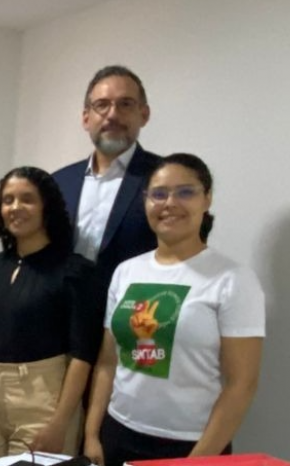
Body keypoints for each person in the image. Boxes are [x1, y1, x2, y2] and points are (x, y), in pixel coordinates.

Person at [82, 154, 265, 466]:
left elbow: (241, 385)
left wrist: (195, 462)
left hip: (192, 444)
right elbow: (107, 362)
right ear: (146, 201)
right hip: (118, 431)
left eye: (185, 192)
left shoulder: (233, 279)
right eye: (159, 193)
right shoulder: (126, 272)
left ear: (207, 199)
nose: (170, 203)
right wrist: (91, 434)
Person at [0, 167, 97, 460]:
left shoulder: (74, 270)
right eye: (8, 200)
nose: (15, 207)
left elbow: (82, 355)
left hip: (43, 399)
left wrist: (60, 421)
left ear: (46, 207)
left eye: (27, 199)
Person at [52, 66, 162, 297]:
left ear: (144, 115)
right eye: (102, 105)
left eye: (125, 104)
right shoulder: (58, 182)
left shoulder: (165, 179)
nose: (112, 115)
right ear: (86, 118)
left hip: (135, 310)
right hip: (60, 311)